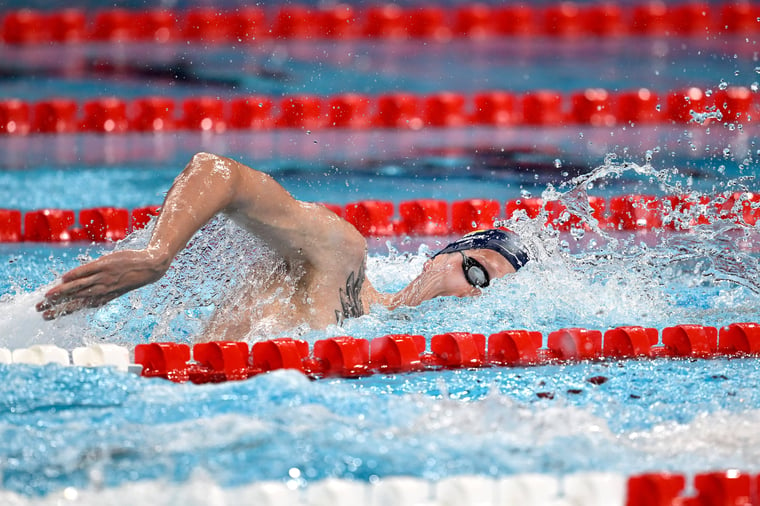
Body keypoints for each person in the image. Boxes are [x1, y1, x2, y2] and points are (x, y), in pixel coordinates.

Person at [36, 152, 529, 340]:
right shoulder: (342, 262)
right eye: (477, 272)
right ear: (440, 256)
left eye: (490, 293)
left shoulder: (376, 343)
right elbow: (218, 172)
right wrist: (156, 256)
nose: (473, 295)